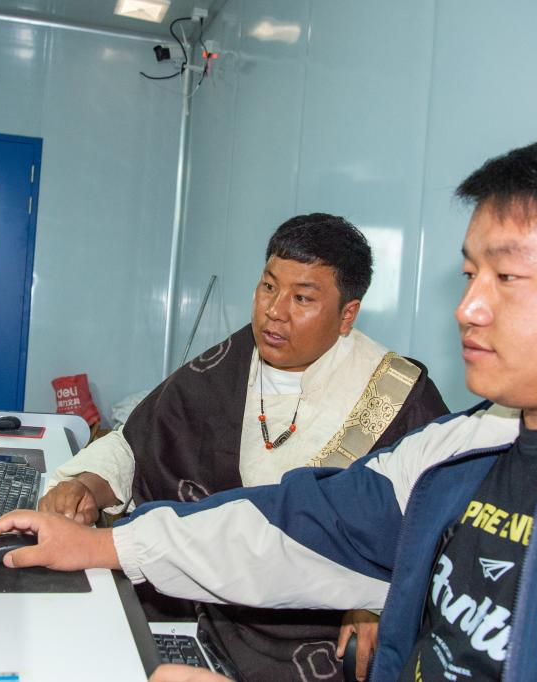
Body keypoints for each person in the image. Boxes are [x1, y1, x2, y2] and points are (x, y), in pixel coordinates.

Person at [0, 136, 537, 681]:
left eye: (507, 277)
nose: (468, 307)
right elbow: (301, 526)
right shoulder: (465, 448)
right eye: (471, 274)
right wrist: (107, 545)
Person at [40, 213, 449, 681]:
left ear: (347, 315)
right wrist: (88, 484)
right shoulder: (226, 364)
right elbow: (137, 443)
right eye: (269, 286)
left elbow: (434, 532)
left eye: (302, 298)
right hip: (192, 602)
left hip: (309, 634)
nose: (274, 311)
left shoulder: (395, 396)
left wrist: (378, 599)